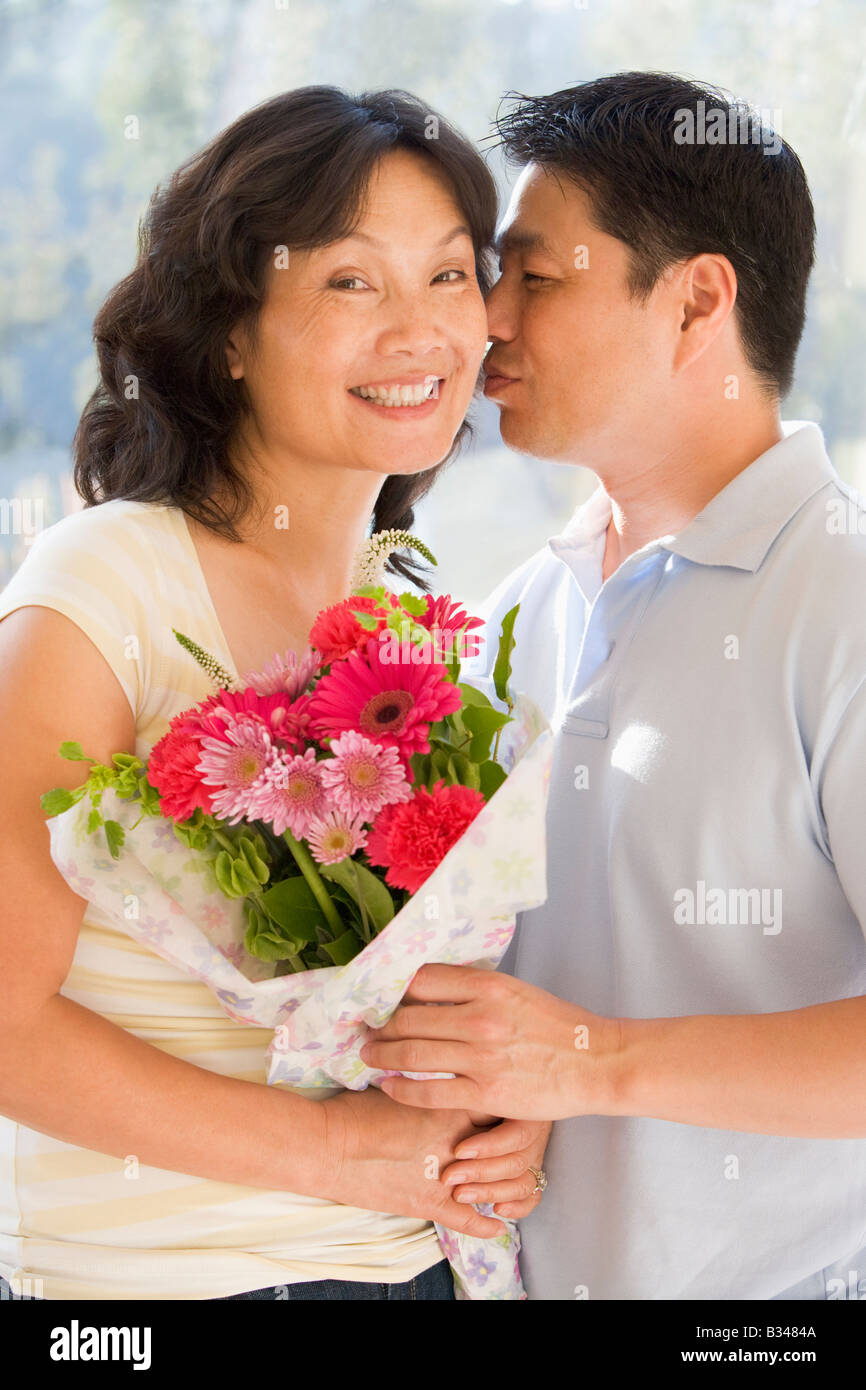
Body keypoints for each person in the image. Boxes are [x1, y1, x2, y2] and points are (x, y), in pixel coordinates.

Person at [0, 86, 549, 1302]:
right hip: (161, 1290)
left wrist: (500, 1109)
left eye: (450, 275)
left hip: (410, 1267)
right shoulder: (107, 583)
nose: (417, 331)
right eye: (351, 283)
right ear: (230, 334)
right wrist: (343, 1151)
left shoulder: (400, 621)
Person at [361, 72, 866, 1301]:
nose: (485, 321)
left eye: (535, 276)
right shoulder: (511, 615)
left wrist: (591, 1064)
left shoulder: (839, 603)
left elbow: (572, 1051)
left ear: (696, 301)